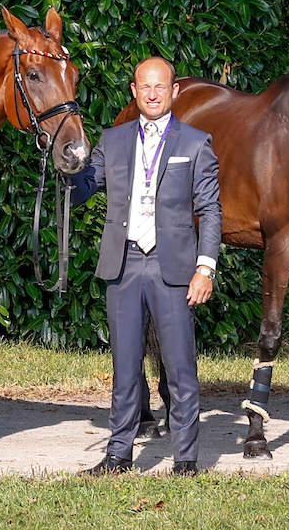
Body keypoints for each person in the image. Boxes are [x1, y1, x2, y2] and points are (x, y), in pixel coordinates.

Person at [73, 56, 221, 475]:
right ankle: (117, 456)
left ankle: (186, 460)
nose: (153, 94)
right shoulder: (113, 139)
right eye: (145, 86)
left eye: (161, 87)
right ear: (134, 91)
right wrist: (67, 164)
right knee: (125, 369)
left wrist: (205, 268)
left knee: (180, 368)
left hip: (173, 268)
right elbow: (84, 189)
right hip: (123, 266)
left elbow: (210, 210)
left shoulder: (195, 142)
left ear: (174, 92)